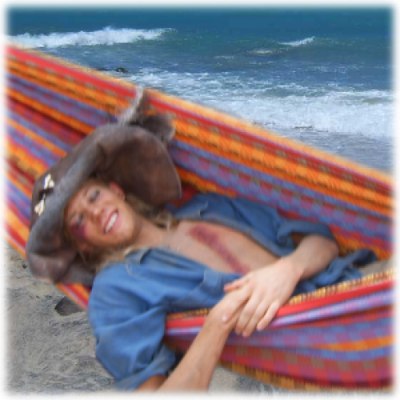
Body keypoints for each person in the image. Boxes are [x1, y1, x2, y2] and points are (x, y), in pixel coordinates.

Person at [26, 93, 381, 391]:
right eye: (78, 222)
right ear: (82, 246)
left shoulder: (206, 207)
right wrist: (220, 319)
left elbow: (322, 241)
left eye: (93, 196)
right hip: (332, 340)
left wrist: (287, 270)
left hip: (363, 289)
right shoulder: (115, 288)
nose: (95, 213)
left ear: (115, 190)